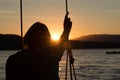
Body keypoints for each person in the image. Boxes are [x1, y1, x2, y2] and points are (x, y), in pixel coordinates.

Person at [5, 12, 72, 80]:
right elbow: (62, 42)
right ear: (47, 40)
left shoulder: (13, 60)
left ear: (28, 38)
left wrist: (66, 31)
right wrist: (66, 30)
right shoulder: (52, 55)